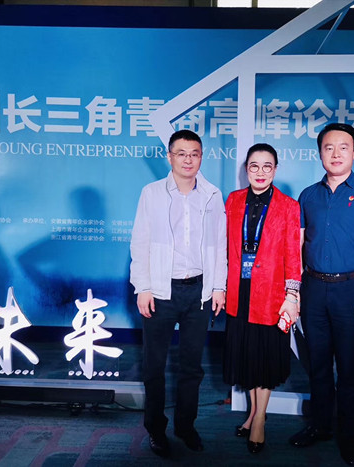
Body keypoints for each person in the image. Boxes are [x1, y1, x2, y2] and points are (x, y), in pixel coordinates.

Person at [289, 123, 354, 466]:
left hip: (352, 290)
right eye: (328, 147)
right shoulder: (308, 196)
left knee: (348, 371)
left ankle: (348, 439)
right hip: (314, 288)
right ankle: (320, 426)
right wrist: (296, 292)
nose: (335, 154)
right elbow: (298, 248)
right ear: (320, 153)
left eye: (343, 147)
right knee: (317, 365)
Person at [130, 129, 227, 458]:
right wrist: (143, 287)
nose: (188, 160)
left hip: (198, 291)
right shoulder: (152, 193)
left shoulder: (212, 195)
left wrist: (218, 287)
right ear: (169, 157)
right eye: (182, 153)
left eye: (194, 154)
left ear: (201, 157)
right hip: (161, 290)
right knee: (154, 367)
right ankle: (156, 430)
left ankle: (186, 426)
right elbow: (140, 243)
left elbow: (220, 245)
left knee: (192, 367)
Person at [223, 143, 302, 454]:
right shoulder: (233, 200)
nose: (260, 172)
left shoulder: (288, 206)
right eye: (254, 166)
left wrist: (291, 295)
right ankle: (254, 412)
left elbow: (293, 255)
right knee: (248, 356)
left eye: (267, 166)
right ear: (246, 169)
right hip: (239, 291)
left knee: (264, 357)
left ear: (275, 169)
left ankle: (259, 420)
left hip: (270, 293)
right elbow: (225, 246)